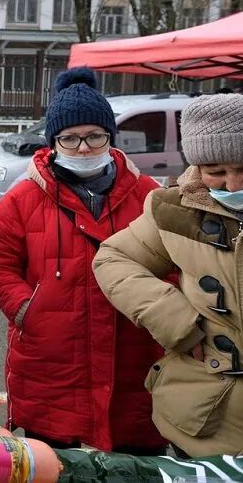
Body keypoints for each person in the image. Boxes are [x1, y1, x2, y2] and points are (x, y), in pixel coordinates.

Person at [0, 67, 166, 454]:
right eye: (70, 138)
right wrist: (27, 309)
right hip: (51, 358)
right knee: (54, 462)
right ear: (53, 142)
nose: (83, 148)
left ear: (110, 137)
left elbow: (175, 264)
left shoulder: (148, 194)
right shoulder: (23, 198)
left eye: (95, 136)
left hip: (134, 352)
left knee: (135, 462)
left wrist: (164, 313)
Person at [94, 93, 243, 457]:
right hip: (204, 415)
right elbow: (113, 258)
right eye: (216, 172)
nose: (233, 185)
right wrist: (175, 321)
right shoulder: (173, 210)